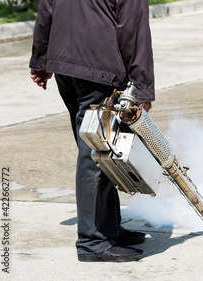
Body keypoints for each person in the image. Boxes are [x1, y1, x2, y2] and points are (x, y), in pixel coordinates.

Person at [29, 0, 155, 262]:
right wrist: (142, 87)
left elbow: (46, 8)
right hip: (98, 67)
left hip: (66, 64)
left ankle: (108, 229)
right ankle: (93, 241)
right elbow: (133, 28)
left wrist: (40, 60)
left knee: (101, 150)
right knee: (95, 154)